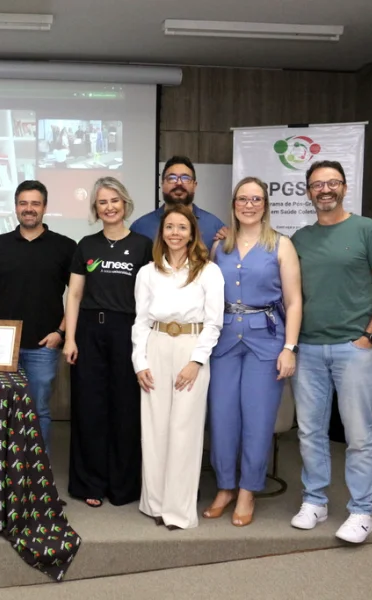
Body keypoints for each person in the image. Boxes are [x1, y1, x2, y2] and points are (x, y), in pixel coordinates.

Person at [289, 160, 372, 544]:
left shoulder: (368, 230)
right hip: (309, 349)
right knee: (310, 432)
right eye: (317, 184)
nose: (325, 190)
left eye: (332, 182)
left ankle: (362, 510)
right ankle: (315, 501)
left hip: (354, 349)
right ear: (308, 191)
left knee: (358, 434)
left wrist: (369, 336)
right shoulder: (300, 238)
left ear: (344, 187)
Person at [203, 177, 302, 527]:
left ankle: (247, 490)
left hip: (267, 341)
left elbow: (293, 301)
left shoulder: (281, 245)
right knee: (222, 417)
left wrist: (289, 348)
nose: (248, 204)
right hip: (224, 341)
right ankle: (225, 486)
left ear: (265, 205)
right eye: (242, 199)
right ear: (234, 204)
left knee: (258, 420)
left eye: (255, 199)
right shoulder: (220, 247)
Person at [132, 204, 224, 530]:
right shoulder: (147, 273)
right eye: (169, 227)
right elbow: (141, 322)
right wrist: (139, 362)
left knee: (184, 430)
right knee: (154, 428)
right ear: (162, 233)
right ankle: (155, 503)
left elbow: (214, 323)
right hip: (155, 346)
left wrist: (196, 361)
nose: (175, 233)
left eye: (181, 227)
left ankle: (178, 510)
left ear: (192, 233)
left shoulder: (208, 271)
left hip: (191, 349)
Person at [63, 177, 152, 507]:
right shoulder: (86, 245)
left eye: (115, 200)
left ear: (125, 203)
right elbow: (74, 294)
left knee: (126, 410)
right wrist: (70, 338)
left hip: (128, 332)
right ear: (95, 209)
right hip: (89, 332)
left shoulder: (144, 245)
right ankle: (90, 483)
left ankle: (123, 486)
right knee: (90, 409)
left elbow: (151, 296)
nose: (110, 207)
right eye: (102, 202)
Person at [0, 180, 76, 456]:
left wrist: (61, 332)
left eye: (35, 203)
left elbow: (77, 295)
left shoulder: (65, 247)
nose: (28, 209)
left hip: (44, 346)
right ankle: (1, 466)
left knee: (39, 410)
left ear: (44, 207)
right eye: (23, 203)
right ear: (16, 207)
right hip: (1, 347)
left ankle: (36, 472)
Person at [130, 155, 227, 249]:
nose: (179, 183)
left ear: (194, 185)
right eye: (172, 178)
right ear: (162, 184)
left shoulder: (215, 227)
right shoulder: (140, 228)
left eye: (186, 178)